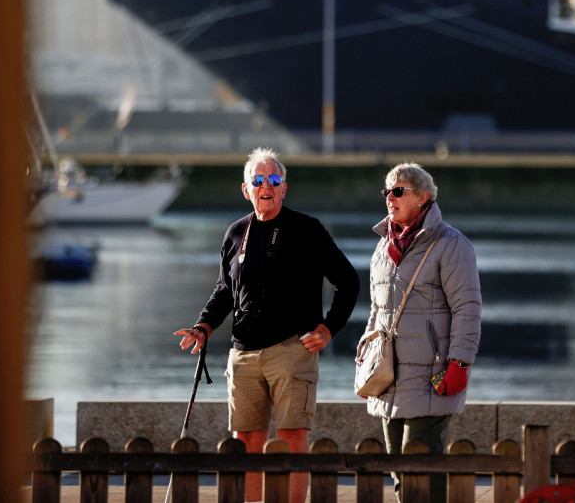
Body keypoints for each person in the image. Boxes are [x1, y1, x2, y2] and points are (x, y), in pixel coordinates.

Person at [174, 147, 360, 503]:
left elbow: (348, 281)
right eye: (258, 181)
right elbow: (224, 291)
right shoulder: (234, 234)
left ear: (284, 188)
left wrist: (328, 329)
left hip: (292, 348)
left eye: (274, 180)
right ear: (246, 190)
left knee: (292, 439)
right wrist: (203, 327)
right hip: (243, 353)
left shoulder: (307, 229)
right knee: (246, 442)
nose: (266, 186)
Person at [363, 162, 482, 503]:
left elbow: (467, 308)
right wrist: (366, 362)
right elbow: (377, 311)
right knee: (399, 469)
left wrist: (460, 362)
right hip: (387, 378)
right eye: (387, 191)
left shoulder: (451, 243)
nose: (390, 198)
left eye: (399, 191)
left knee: (423, 470)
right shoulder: (383, 247)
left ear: (423, 197)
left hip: (432, 376)